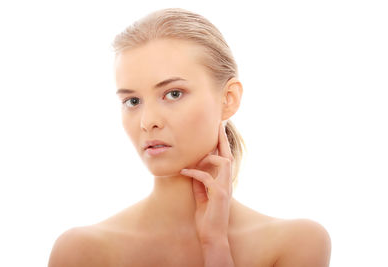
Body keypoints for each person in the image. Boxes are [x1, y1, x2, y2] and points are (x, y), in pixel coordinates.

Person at [48, 8, 331, 266]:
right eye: (132, 101)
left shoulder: (297, 243)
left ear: (228, 99)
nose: (148, 123)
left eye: (173, 94)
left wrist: (216, 247)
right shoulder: (82, 252)